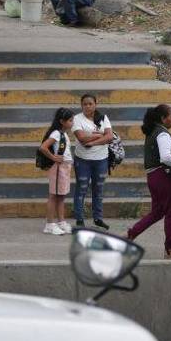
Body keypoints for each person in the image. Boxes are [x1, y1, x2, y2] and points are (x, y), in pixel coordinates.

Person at [127, 104, 171, 259]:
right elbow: (165, 157)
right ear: (163, 118)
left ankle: (132, 234)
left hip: (153, 177)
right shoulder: (162, 134)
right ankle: (170, 247)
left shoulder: (153, 132)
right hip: (164, 177)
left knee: (157, 212)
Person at [71, 93, 112, 230]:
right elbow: (81, 138)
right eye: (85, 104)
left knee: (98, 189)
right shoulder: (77, 119)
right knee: (81, 189)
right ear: (81, 105)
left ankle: (98, 218)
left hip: (101, 160)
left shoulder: (103, 118)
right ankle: (79, 219)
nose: (88, 106)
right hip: (83, 160)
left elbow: (110, 137)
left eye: (90, 104)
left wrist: (93, 142)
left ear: (95, 104)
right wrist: (101, 135)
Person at [39, 107, 75, 235]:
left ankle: (61, 221)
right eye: (70, 120)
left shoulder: (63, 134)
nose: (72, 123)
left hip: (65, 167)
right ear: (62, 121)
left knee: (61, 195)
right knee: (53, 195)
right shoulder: (56, 134)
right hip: (58, 168)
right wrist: (53, 157)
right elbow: (43, 147)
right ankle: (49, 224)